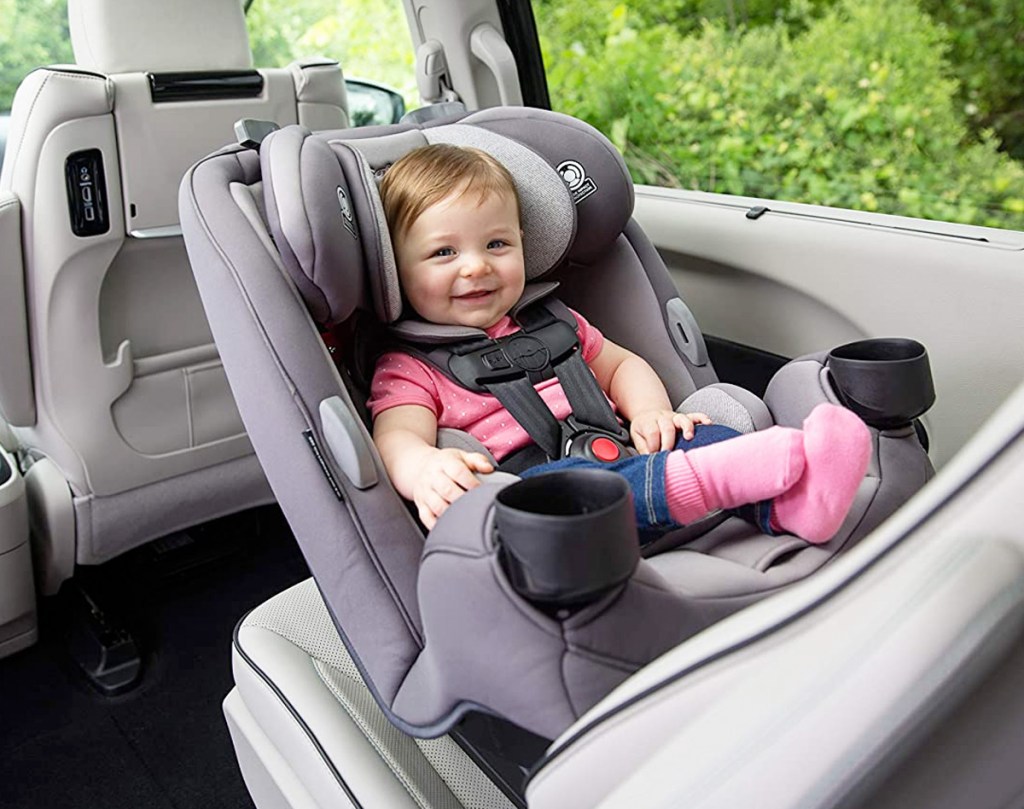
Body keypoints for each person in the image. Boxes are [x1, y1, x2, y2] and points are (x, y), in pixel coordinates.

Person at [368, 144, 871, 543]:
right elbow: (396, 439)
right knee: (590, 491)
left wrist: (652, 414)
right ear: (396, 270)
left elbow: (623, 366)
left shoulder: (555, 323)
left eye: (497, 244)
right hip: (547, 509)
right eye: (443, 252)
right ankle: (718, 481)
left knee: (701, 433)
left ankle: (796, 504)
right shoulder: (410, 367)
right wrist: (425, 469)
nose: (476, 265)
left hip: (624, 451)